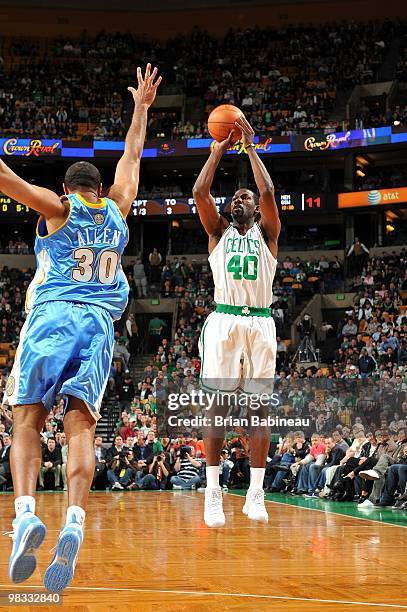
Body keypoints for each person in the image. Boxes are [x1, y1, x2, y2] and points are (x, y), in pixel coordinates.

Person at [1, 64, 161, 591]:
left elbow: (6, 180)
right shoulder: (117, 212)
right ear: (101, 189)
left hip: (53, 317)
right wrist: (140, 108)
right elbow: (132, 157)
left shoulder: (58, 208)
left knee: (27, 418)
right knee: (81, 426)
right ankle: (74, 521)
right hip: (98, 327)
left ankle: (25, 515)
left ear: (70, 188)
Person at [193, 114, 280, 527]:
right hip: (224, 321)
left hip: (261, 323)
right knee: (218, 408)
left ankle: (255, 494)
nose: (238, 201)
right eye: (235, 199)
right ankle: (213, 492)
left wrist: (249, 145)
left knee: (260, 411)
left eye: (244, 198)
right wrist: (217, 151)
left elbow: (267, 188)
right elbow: (199, 191)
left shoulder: (269, 235)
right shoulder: (217, 233)